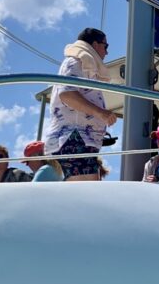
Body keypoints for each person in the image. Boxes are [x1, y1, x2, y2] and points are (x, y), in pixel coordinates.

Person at [44, 27, 117, 181]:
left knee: (87, 189)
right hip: (74, 137)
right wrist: (101, 113)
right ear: (95, 45)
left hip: (80, 139)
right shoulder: (76, 61)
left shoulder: (82, 63)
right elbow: (67, 94)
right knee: (85, 190)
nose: (107, 52)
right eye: (106, 46)